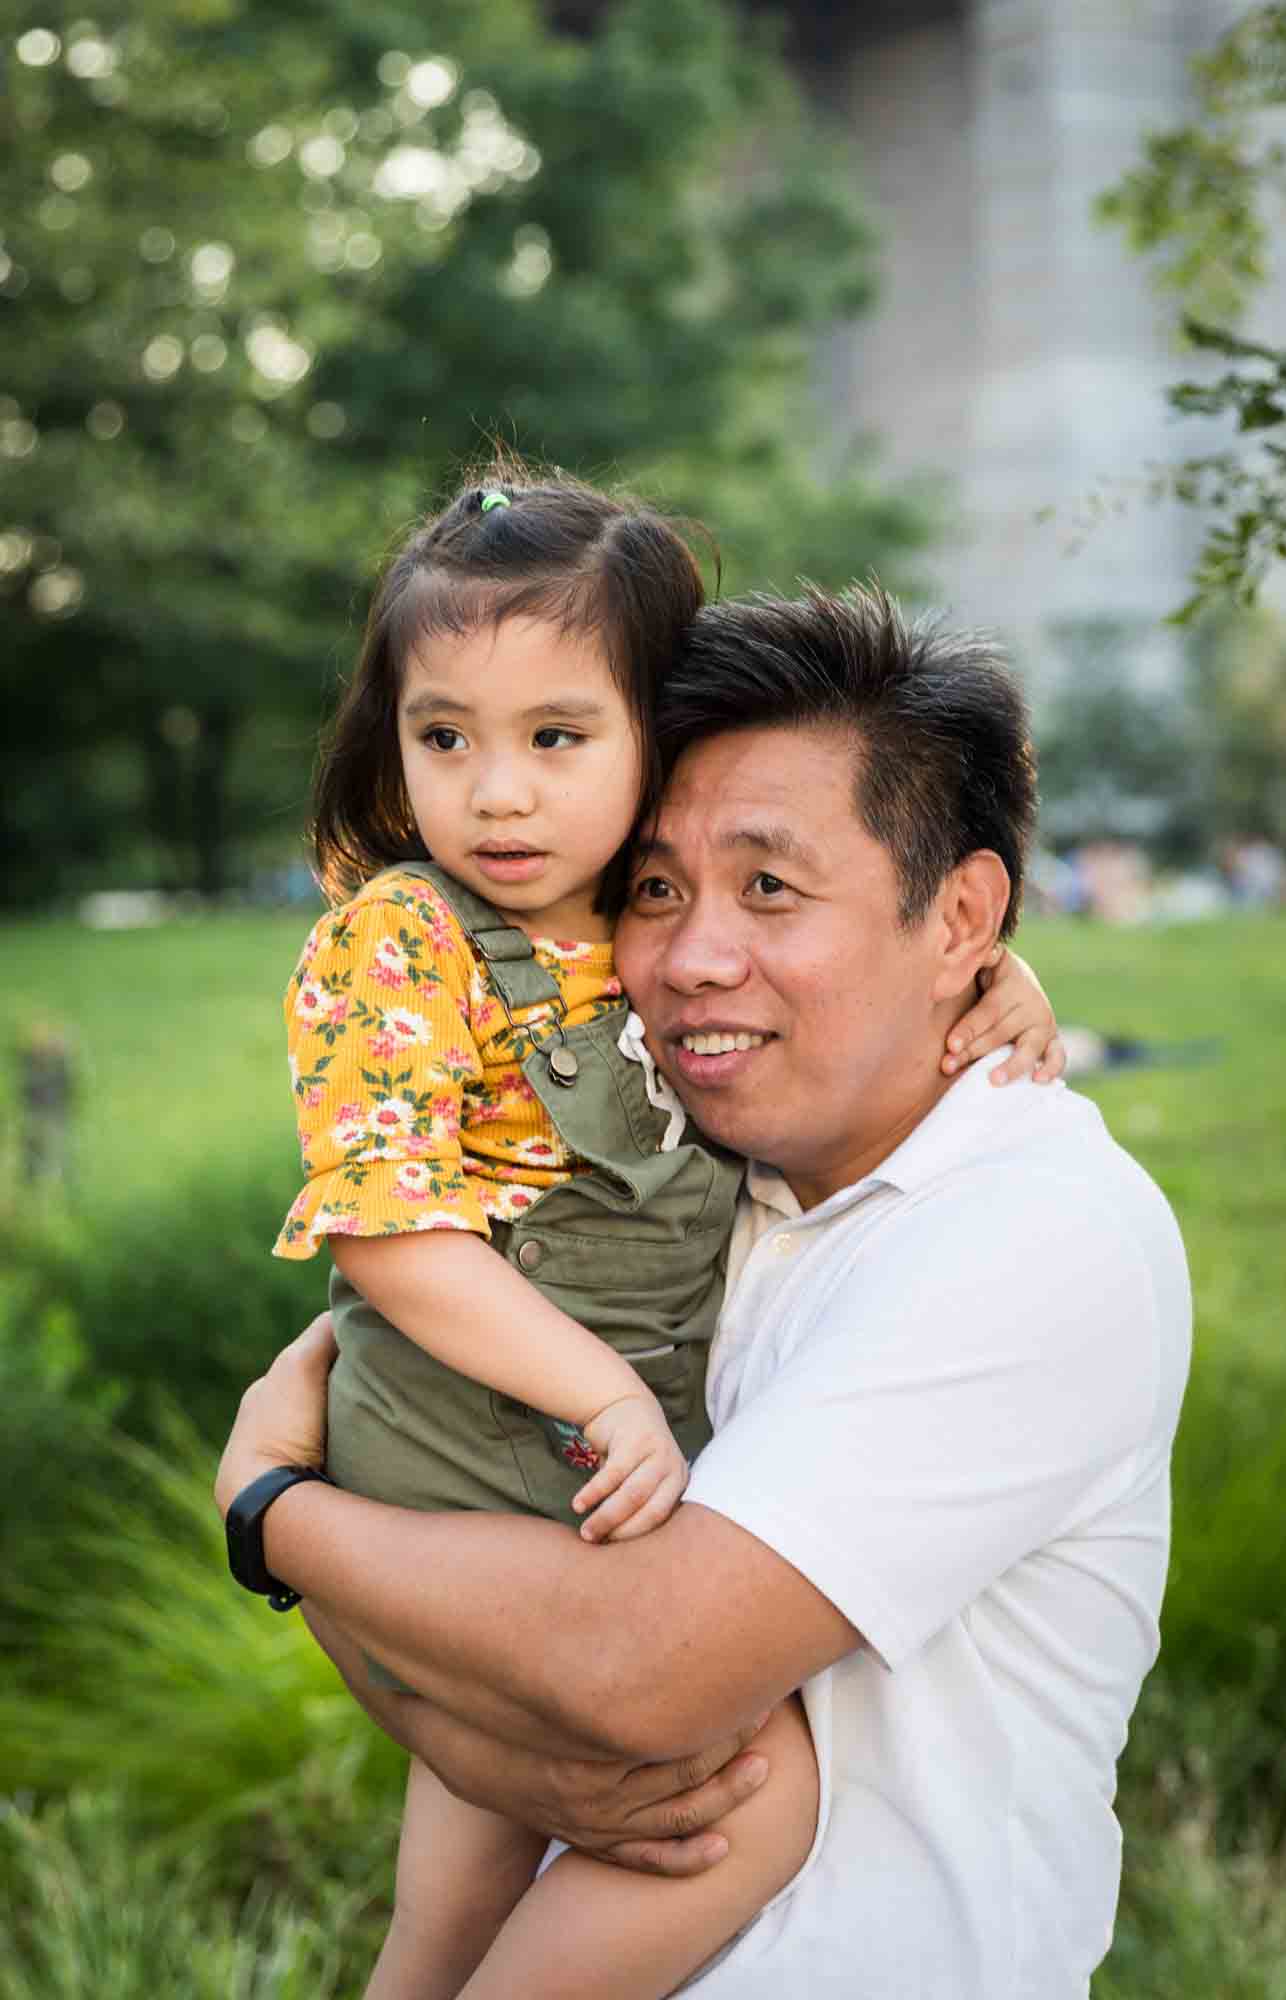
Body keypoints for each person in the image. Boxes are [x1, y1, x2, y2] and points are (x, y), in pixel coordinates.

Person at [267, 478, 1066, 2000]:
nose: (497, 794)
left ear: (650, 745)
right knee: (735, 1793)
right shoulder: (408, 939)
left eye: (555, 738)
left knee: (447, 1899)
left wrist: (997, 979)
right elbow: (383, 1225)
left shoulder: (628, 935)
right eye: (445, 738)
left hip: (551, 1432)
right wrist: (605, 1395)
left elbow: (835, 931)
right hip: (499, 1428)